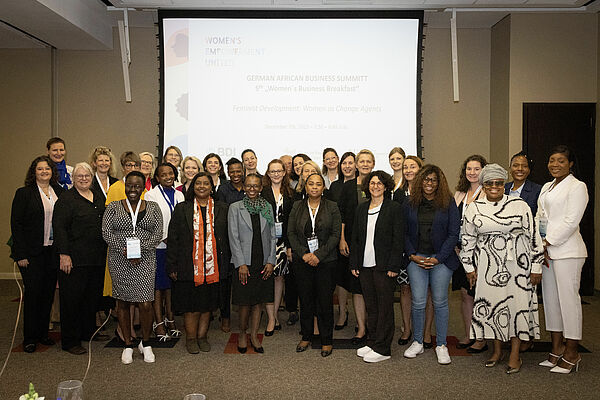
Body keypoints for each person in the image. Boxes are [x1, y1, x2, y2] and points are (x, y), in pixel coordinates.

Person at [460, 164, 543, 373]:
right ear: (484, 185)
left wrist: (536, 266)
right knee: (492, 306)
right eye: (489, 183)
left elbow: (533, 236)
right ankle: (496, 350)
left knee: (516, 307)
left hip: (518, 265)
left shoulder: (519, 204)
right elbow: (468, 238)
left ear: (503, 185)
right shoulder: (475, 207)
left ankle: (515, 354)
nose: (495, 187)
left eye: (498, 183)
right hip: (488, 267)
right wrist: (469, 267)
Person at [102, 171, 163, 364]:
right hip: (120, 259)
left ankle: (146, 343)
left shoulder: (153, 207)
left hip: (145, 259)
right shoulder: (113, 207)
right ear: (125, 186)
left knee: (145, 303)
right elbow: (106, 232)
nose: (133, 190)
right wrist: (125, 251)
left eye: (137, 186)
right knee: (123, 303)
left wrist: (139, 251)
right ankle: (128, 344)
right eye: (129, 186)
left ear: (143, 186)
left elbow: (158, 233)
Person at [537, 145, 588, 374]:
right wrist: (540, 242)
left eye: (560, 161)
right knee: (551, 301)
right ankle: (556, 349)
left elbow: (571, 221)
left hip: (568, 251)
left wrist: (548, 242)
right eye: (551, 160)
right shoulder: (547, 187)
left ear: (570, 164)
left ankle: (572, 352)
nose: (554, 164)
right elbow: (541, 217)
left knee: (569, 302)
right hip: (547, 251)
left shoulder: (578, 187)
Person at [402, 165, 460, 365]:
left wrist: (439, 258)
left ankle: (441, 345)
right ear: (420, 181)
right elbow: (404, 232)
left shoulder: (448, 202)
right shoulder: (410, 202)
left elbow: (454, 234)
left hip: (441, 259)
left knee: (440, 301)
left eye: (433, 180)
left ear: (439, 182)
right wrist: (411, 255)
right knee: (418, 302)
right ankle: (417, 341)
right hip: (416, 257)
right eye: (426, 179)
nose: (429, 183)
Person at [167, 172, 230, 354]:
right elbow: (174, 238)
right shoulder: (182, 209)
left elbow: (227, 239)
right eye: (198, 183)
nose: (202, 186)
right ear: (193, 187)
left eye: (206, 183)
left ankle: (202, 337)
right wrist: (172, 265)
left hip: (213, 267)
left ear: (212, 187)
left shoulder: (222, 209)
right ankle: (191, 338)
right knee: (191, 306)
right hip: (188, 266)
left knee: (207, 305)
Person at [10, 155, 64, 353]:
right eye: (40, 169)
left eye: (47, 169)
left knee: (47, 295)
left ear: (52, 172)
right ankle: (30, 338)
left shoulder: (59, 191)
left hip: (52, 252)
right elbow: (16, 225)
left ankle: (43, 333)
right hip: (31, 254)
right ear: (34, 172)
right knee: (33, 295)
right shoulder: (24, 193)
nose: (44, 172)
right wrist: (20, 254)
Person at [53, 162, 108, 355]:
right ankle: (70, 341)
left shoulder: (98, 196)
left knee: (90, 299)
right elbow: (59, 228)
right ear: (73, 178)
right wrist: (64, 254)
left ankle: (87, 332)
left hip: (96, 258)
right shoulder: (66, 199)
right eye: (79, 176)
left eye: (87, 176)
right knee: (72, 301)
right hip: (74, 259)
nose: (84, 179)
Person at [350, 171, 403, 363]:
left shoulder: (394, 208)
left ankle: (383, 348)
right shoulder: (361, 209)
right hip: (365, 266)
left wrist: (394, 265)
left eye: (380, 183)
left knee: (385, 307)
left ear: (386, 186)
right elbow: (355, 238)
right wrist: (354, 263)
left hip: (384, 266)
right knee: (371, 306)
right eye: (372, 183)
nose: (376, 186)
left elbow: (398, 239)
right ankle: (372, 341)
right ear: (367, 186)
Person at [288, 173, 341, 357]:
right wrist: (304, 254)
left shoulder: (332, 206)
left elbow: (335, 235)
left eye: (319, 184)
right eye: (311, 184)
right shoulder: (297, 206)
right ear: (306, 186)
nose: (315, 187)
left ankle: (326, 340)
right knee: (306, 300)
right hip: (303, 261)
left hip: (325, 261)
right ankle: (306, 335)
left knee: (325, 301)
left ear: (323, 187)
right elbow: (291, 233)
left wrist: (318, 255)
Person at [228, 174, 276, 353]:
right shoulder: (235, 208)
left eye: (256, 186)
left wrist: (271, 260)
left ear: (261, 188)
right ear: (244, 187)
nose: (252, 189)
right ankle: (242, 333)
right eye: (249, 186)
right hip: (244, 263)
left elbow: (272, 235)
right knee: (244, 302)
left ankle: (254, 335)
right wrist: (240, 263)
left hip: (262, 262)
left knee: (259, 302)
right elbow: (233, 237)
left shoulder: (266, 207)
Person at [337, 149, 375, 344]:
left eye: (369, 161)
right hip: (353, 243)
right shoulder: (348, 186)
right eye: (362, 161)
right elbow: (342, 215)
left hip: (375, 244)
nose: (365, 164)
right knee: (356, 287)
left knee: (372, 285)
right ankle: (361, 327)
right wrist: (342, 239)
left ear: (373, 164)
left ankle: (372, 324)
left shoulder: (378, 184)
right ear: (357, 164)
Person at [144, 163, 185, 341]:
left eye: (171, 173)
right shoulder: (150, 195)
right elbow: (148, 221)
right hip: (159, 247)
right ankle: (158, 323)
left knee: (170, 285)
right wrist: (164, 237)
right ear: (158, 178)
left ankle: (170, 319)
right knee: (158, 287)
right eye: (163, 174)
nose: (168, 176)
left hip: (176, 248)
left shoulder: (180, 194)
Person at [396, 155, 434, 348]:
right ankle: (407, 328)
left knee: (426, 292)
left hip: (426, 250)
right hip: (405, 250)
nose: (409, 170)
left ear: (421, 169)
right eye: (405, 167)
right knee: (406, 290)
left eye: (413, 166)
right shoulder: (397, 193)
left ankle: (426, 333)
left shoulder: (430, 191)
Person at [452, 154, 488, 352]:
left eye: (476, 169)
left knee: (480, 294)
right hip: (460, 252)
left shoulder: (489, 193)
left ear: (484, 171)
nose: (472, 173)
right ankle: (469, 334)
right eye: (469, 169)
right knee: (465, 294)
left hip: (481, 252)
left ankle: (481, 338)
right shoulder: (459, 193)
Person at [262, 160, 294, 335]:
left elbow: (292, 222)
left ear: (284, 173)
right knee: (267, 279)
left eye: (278, 171)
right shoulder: (262, 192)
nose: (275, 174)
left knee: (279, 278)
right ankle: (271, 319)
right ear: (268, 173)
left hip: (282, 242)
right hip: (266, 241)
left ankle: (275, 314)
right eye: (272, 171)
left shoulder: (290, 193)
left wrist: (289, 245)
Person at [326, 151, 357, 330]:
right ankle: (343, 312)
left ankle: (362, 315)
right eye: (344, 163)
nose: (347, 166)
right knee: (341, 277)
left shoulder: (363, 184)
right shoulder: (335, 187)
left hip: (357, 236)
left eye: (350, 163)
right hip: (338, 236)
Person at [214, 157, 245, 332]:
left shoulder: (249, 186)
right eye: (231, 171)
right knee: (225, 282)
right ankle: (225, 317)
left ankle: (243, 316)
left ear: (243, 170)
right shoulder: (223, 189)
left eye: (238, 171)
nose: (235, 174)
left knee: (243, 280)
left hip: (246, 239)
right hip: (227, 240)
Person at [504, 151, 542, 217]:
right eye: (516, 165)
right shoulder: (503, 188)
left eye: (524, 166)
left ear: (529, 170)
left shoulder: (537, 190)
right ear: (510, 169)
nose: (520, 169)